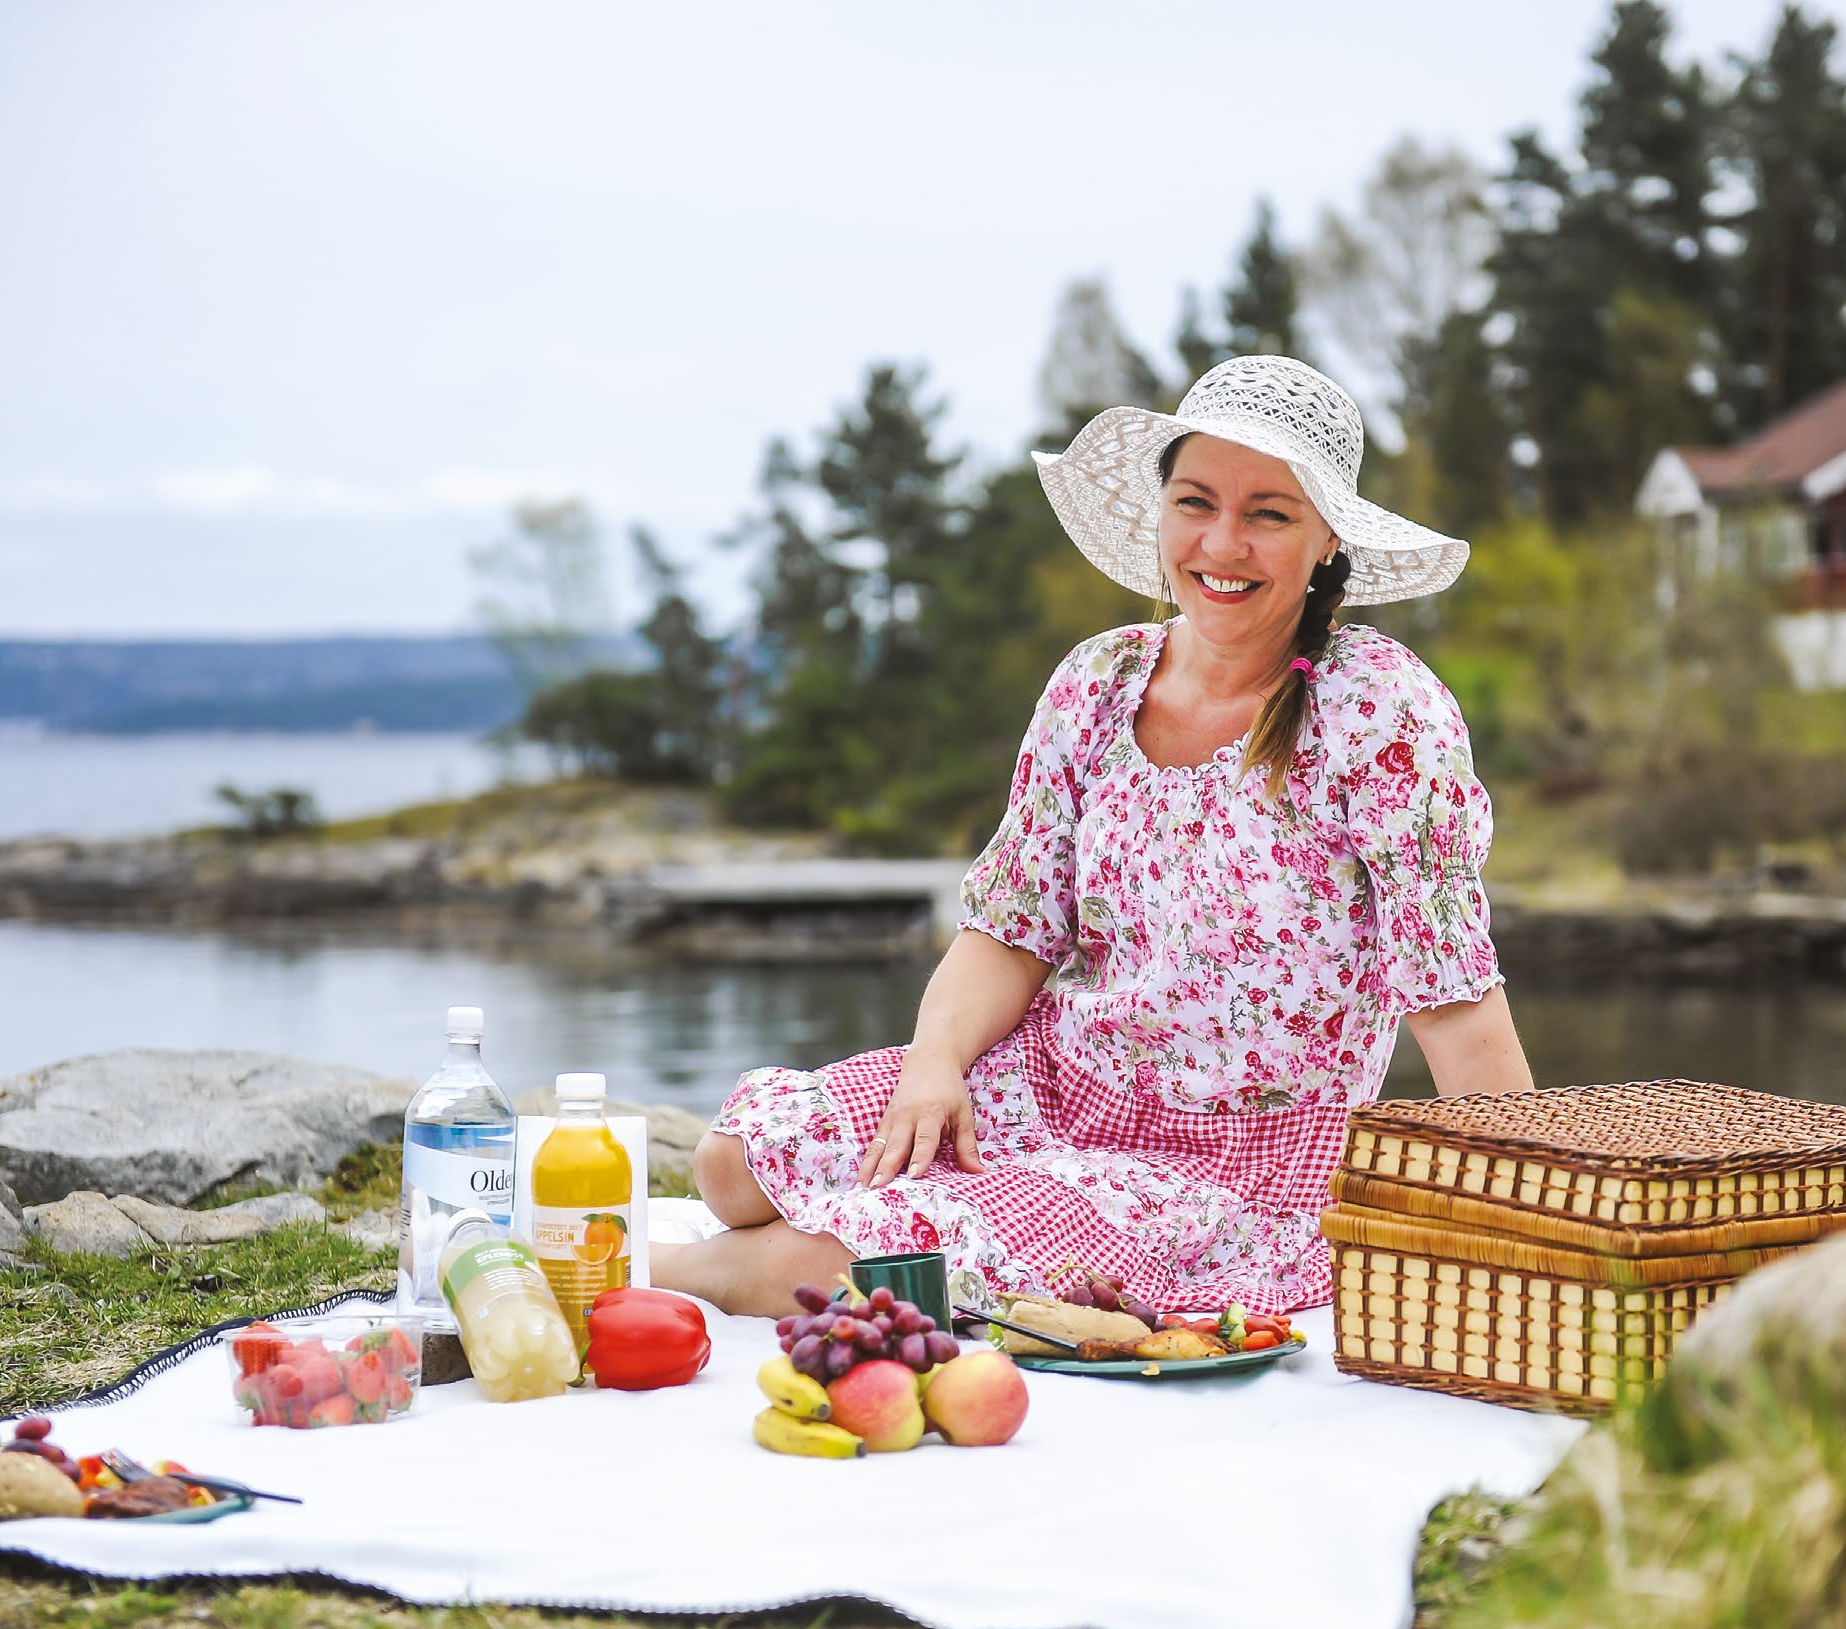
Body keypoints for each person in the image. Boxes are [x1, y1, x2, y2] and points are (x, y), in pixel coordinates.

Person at [652, 355, 1532, 1319]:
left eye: (1269, 513)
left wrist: (1528, 1231)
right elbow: (1012, 927)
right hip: (1048, 1083)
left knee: (814, 1264)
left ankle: (629, 1268)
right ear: (1159, 513)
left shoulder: (1376, 707)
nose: (1222, 542)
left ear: (1328, 540)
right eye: (1195, 501)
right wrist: (934, 1062)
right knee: (728, 1164)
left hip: (1231, 1169)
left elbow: (1451, 998)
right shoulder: (1098, 678)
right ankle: (756, 1234)